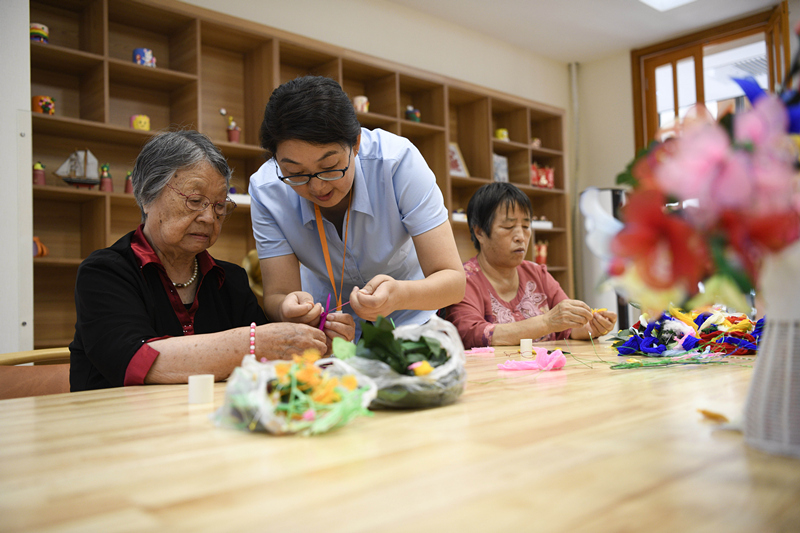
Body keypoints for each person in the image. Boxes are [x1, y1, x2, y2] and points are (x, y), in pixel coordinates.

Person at [70, 131, 328, 391]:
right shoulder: (105, 272)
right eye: (195, 201)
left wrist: (314, 339)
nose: (208, 217)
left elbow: (267, 363)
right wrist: (253, 343)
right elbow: (136, 360)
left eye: (218, 206)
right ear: (147, 196)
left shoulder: (231, 280)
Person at [249, 76, 465, 339]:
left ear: (356, 144)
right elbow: (277, 295)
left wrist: (400, 295)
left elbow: (453, 281)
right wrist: (287, 310)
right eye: (295, 173)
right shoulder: (266, 189)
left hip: (411, 319)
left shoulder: (397, 162)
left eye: (329, 168)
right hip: (328, 329)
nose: (317, 188)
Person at [446, 182, 617, 348]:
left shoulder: (537, 273)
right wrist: (546, 322)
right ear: (480, 232)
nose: (521, 236)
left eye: (526, 226)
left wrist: (591, 327)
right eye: (508, 226)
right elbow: (471, 334)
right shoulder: (463, 280)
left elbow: (568, 328)